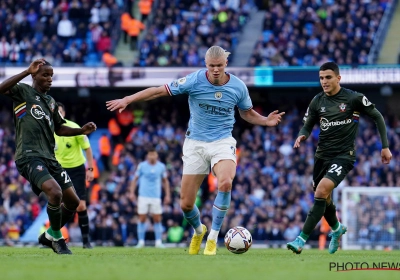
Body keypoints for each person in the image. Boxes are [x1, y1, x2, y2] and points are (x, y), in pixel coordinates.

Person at [106, 45, 285, 255]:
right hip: (195, 144)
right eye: (211, 66)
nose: (215, 70)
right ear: (206, 65)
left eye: (219, 65)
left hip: (222, 142)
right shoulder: (194, 80)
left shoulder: (238, 87)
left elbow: (246, 113)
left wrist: (265, 121)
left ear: (226, 64)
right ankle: (199, 230)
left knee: (226, 182)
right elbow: (158, 91)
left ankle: (213, 237)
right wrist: (128, 99)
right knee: (186, 204)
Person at [287, 62, 392, 254]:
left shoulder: (353, 98)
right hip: (321, 156)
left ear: (338, 78)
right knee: (324, 197)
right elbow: (308, 124)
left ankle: (300, 239)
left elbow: (377, 116)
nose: (324, 81)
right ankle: (337, 229)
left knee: (321, 192)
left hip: (344, 156)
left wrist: (385, 146)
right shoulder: (317, 101)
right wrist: (302, 134)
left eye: (328, 77)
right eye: (321, 78)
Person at [0, 59, 97, 254]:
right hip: (29, 156)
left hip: (50, 158)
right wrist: (26, 71)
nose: (49, 79)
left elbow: (60, 128)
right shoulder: (23, 92)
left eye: (51, 75)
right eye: (45, 75)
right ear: (35, 76)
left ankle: (50, 234)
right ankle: (58, 239)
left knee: (73, 202)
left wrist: (81, 130)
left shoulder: (51, 102)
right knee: (55, 193)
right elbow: (2, 88)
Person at [54, 102, 95, 249]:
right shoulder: (48, 130)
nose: (58, 114)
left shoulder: (74, 127)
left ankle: (86, 241)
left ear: (64, 113)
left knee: (81, 205)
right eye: (55, 112)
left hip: (77, 169)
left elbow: (88, 149)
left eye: (60, 112)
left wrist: (90, 169)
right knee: (56, 204)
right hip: (59, 170)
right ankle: (54, 239)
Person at [129, 148, 171, 248]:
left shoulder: (161, 167)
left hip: (156, 196)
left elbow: (165, 181)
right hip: (143, 196)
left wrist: (168, 195)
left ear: (157, 155)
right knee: (142, 218)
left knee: (157, 218)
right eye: (150, 154)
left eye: (154, 154)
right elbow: (135, 180)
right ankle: (141, 242)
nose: (152, 156)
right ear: (147, 155)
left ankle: (158, 242)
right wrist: (131, 193)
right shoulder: (142, 166)